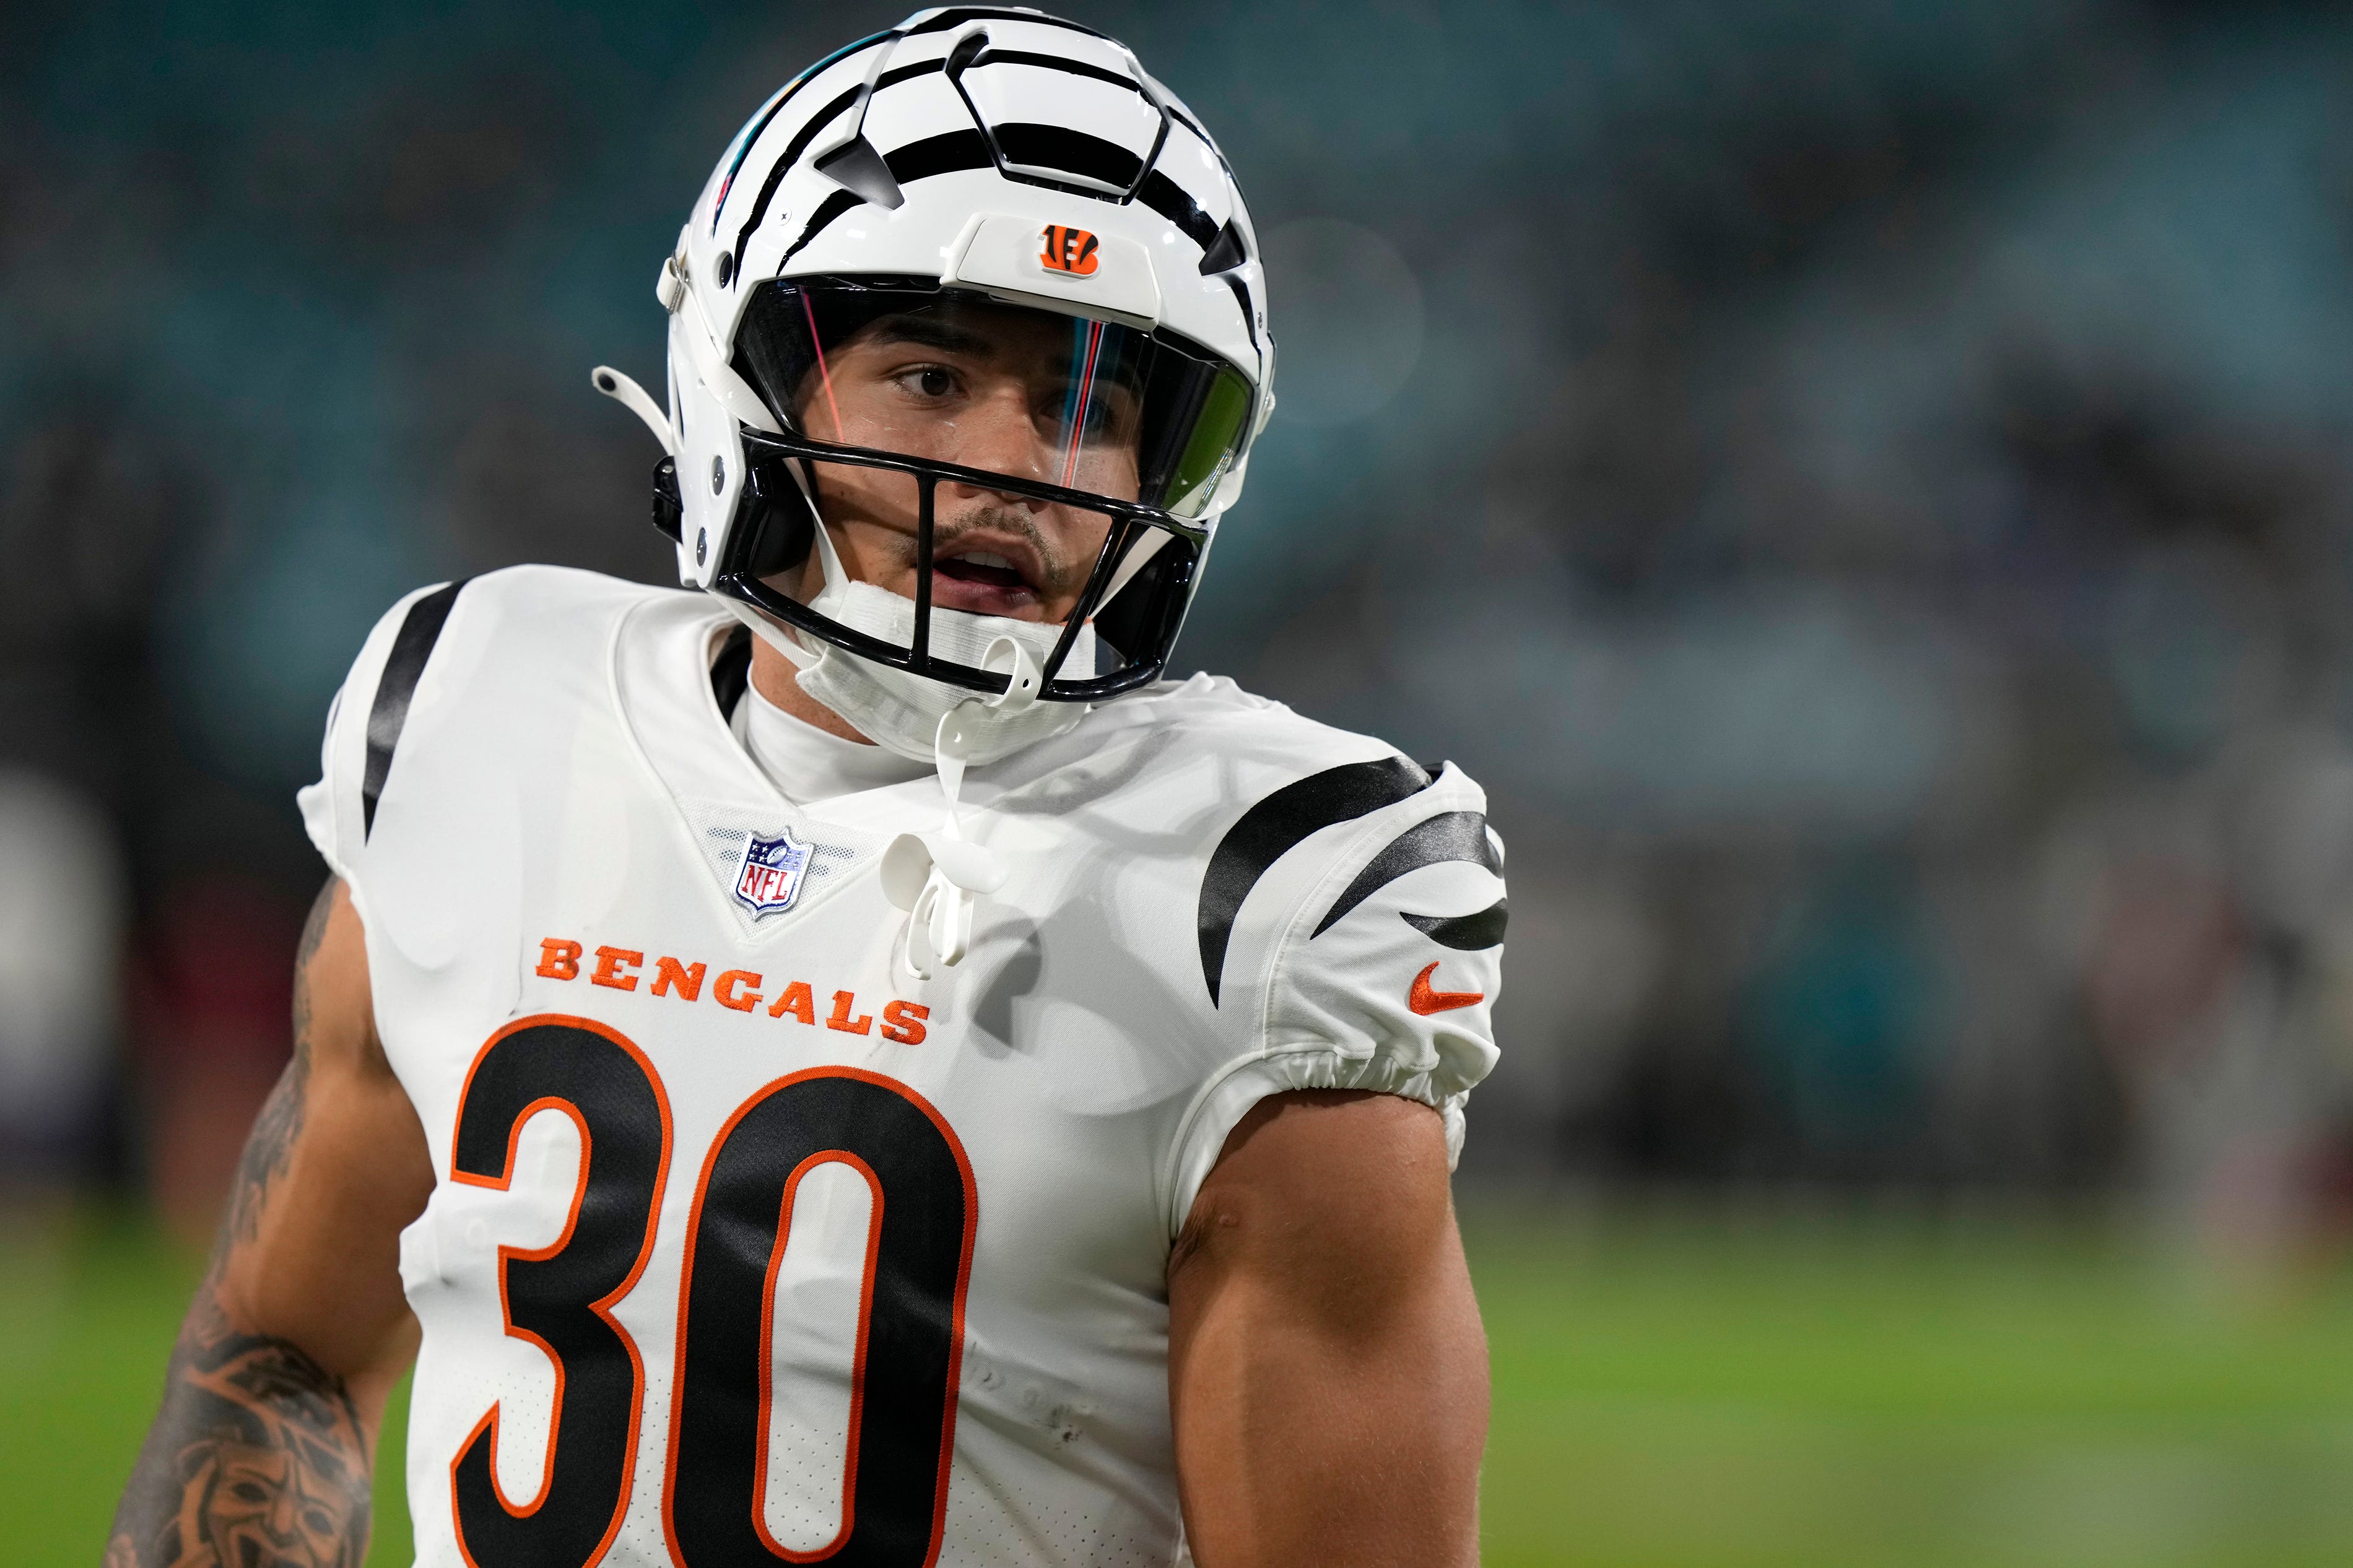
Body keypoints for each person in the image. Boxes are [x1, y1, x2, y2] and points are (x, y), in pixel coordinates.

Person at [108, 11, 1505, 1566]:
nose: (1012, 467)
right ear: (739, 368)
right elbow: (283, 1349)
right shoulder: (475, 710)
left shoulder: (1261, 893)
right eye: (928, 373)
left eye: (1087, 409)